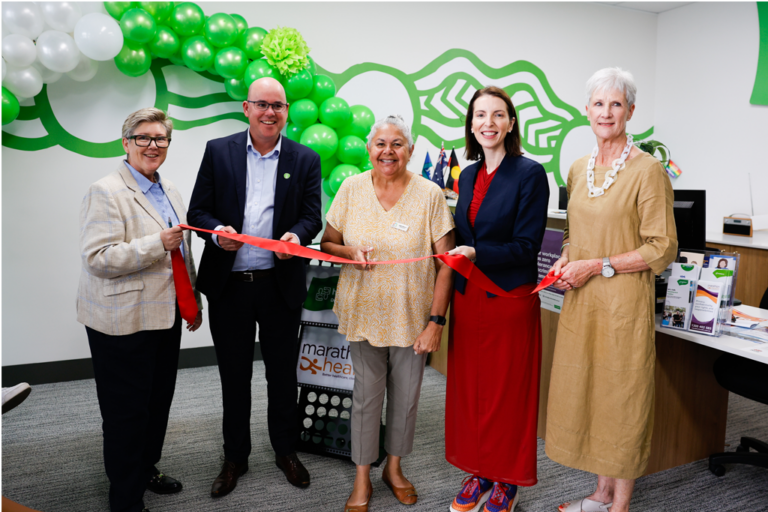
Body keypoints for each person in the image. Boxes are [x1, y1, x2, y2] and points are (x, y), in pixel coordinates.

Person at [545, 68, 677, 512]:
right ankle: (599, 495)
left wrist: (595, 265)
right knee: (590, 394)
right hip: (583, 304)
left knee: (622, 400)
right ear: (586, 110)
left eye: (616, 104)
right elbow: (572, 233)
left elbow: (662, 248)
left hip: (623, 305)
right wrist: (566, 258)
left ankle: (619, 506)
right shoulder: (578, 169)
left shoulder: (648, 170)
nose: (606, 112)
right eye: (599, 104)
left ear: (631, 112)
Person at [187, 77, 322, 497]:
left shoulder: (305, 158)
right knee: (234, 375)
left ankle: (285, 450)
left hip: (278, 283)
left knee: (283, 374)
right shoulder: (218, 151)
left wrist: (296, 238)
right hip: (230, 285)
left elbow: (311, 215)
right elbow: (198, 210)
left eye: (278, 106)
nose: (270, 113)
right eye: (262, 104)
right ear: (246, 108)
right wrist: (214, 233)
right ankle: (235, 457)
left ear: (287, 111)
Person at [321, 115, 455, 512]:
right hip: (363, 311)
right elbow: (328, 243)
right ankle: (362, 476)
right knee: (365, 398)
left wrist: (436, 322)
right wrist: (348, 252)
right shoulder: (351, 187)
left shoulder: (430, 194)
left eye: (397, 144)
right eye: (380, 143)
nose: (388, 151)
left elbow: (447, 262)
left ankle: (393, 469)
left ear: (410, 151)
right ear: (369, 148)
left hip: (412, 316)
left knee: (406, 398)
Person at [77, 107, 203, 512]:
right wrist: (155, 245)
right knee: (125, 414)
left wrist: (192, 303)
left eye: (160, 139)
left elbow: (182, 254)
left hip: (164, 317)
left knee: (156, 404)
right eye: (143, 138)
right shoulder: (105, 190)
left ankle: (146, 468)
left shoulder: (171, 191)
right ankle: (125, 498)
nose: (153, 145)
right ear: (125, 143)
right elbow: (98, 257)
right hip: (120, 323)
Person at [444, 86, 549, 512]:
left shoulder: (529, 174)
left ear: (510, 123)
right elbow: (462, 233)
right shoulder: (466, 175)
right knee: (474, 393)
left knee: (508, 394)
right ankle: (480, 470)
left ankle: (507, 479)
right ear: (471, 123)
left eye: (497, 115)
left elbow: (527, 247)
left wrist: (475, 253)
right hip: (470, 299)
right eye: (480, 115)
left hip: (508, 298)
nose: (488, 122)